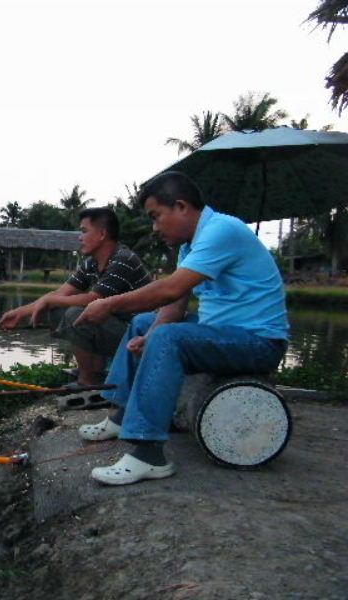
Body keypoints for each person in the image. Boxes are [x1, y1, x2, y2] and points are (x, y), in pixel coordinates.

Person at [76, 171, 289, 486]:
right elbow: (175, 305)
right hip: (223, 333)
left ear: (181, 206)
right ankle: (122, 415)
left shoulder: (222, 231)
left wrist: (108, 304)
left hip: (258, 342)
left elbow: (169, 290)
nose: (155, 227)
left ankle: (149, 454)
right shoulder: (192, 246)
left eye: (156, 216)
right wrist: (148, 338)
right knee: (144, 323)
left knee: (168, 336)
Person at [0, 208, 152, 405]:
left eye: (84, 231)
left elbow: (92, 300)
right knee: (59, 310)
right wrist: (20, 313)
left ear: (102, 234)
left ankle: (88, 380)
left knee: (74, 314)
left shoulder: (123, 259)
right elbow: (60, 294)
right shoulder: (92, 264)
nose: (80, 237)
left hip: (141, 338)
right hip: (121, 330)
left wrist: (49, 300)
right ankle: (96, 372)